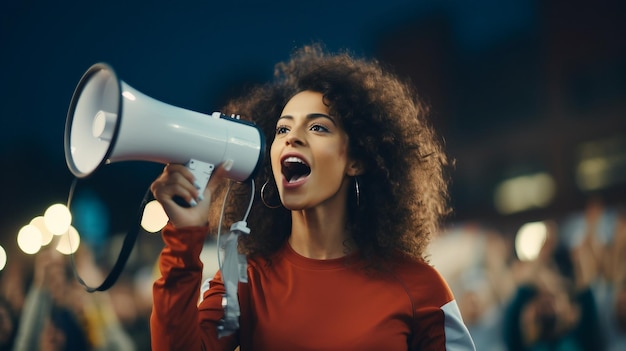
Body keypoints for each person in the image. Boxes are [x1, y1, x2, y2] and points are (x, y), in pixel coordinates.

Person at [149, 43, 476, 350]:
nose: (292, 139)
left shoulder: (420, 287)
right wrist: (184, 237)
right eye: (282, 130)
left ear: (357, 160)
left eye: (318, 127)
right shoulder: (243, 279)